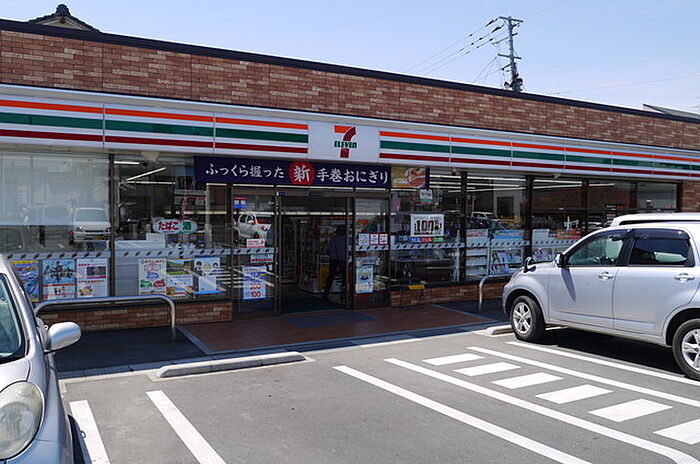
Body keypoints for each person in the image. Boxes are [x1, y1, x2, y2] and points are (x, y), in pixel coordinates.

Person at [323, 225, 347, 300]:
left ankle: (326, 292)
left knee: (331, 275)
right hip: (342, 259)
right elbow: (343, 250)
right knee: (344, 277)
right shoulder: (345, 239)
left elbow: (328, 249)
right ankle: (343, 293)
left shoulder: (333, 238)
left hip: (333, 259)